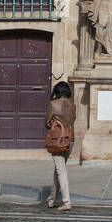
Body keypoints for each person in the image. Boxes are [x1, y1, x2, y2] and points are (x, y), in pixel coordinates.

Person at [45, 82, 75, 211]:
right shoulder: (72, 105)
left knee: (61, 171)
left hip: (57, 140)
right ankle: (51, 199)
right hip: (70, 140)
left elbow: (46, 122)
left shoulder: (53, 104)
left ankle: (66, 201)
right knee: (58, 170)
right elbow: (73, 119)